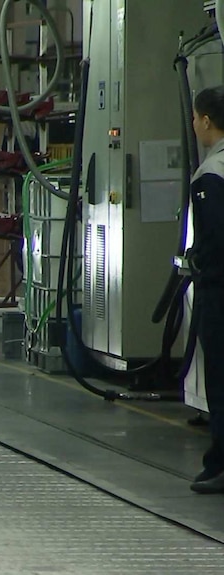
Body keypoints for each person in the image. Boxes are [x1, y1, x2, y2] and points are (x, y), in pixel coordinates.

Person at [187, 86, 224, 493]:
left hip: (220, 291)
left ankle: (220, 464)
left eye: (196, 118)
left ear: (207, 121)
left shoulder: (210, 174)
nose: (194, 124)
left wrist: (197, 262)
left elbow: (215, 237)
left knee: (220, 378)